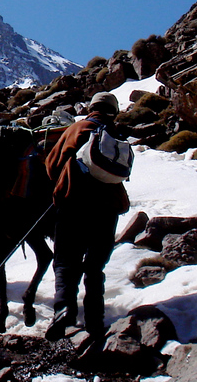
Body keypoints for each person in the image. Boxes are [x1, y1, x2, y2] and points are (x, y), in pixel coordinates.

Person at [44, 92, 130, 341]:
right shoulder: (117, 135)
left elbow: (51, 166)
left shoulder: (78, 128)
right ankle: (95, 319)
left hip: (74, 204)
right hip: (108, 208)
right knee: (95, 266)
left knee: (65, 262)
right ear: (113, 111)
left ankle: (63, 311)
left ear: (92, 108)